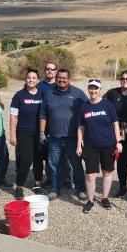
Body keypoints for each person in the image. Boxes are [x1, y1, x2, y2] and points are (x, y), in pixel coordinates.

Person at [38, 69, 87, 201]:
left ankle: (81, 189)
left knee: (76, 165)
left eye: (64, 78)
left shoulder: (78, 94)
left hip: (72, 138)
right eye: (59, 77)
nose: (61, 80)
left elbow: (88, 108)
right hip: (54, 138)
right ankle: (55, 189)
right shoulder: (49, 94)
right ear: (56, 78)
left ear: (69, 79)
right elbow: (43, 115)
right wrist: (42, 133)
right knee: (54, 165)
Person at [77, 79, 123, 213]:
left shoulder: (108, 105)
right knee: (91, 175)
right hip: (90, 145)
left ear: (100, 89)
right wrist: (79, 145)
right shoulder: (84, 107)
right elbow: (80, 127)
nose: (93, 91)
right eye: (91, 88)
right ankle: (90, 201)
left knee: (107, 172)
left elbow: (115, 124)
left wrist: (118, 142)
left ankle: (104, 198)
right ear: (88, 89)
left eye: (95, 88)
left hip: (108, 144)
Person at [103, 70, 127, 198]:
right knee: (121, 161)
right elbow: (102, 105)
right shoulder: (112, 93)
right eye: (123, 78)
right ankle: (122, 187)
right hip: (118, 131)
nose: (125, 81)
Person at [37, 61, 74, 190]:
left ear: (56, 71)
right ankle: (52, 179)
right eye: (47, 69)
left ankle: (67, 179)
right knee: (50, 157)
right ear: (44, 71)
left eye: (52, 69)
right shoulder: (40, 86)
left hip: (63, 128)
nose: (50, 71)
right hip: (47, 126)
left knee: (65, 156)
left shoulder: (60, 85)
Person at [9, 69, 43, 199]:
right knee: (25, 160)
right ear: (25, 79)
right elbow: (13, 117)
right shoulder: (19, 95)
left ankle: (37, 183)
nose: (31, 80)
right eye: (29, 77)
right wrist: (12, 135)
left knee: (38, 159)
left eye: (34, 78)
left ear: (38, 80)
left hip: (39, 133)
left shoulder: (42, 95)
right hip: (24, 133)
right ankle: (19, 186)